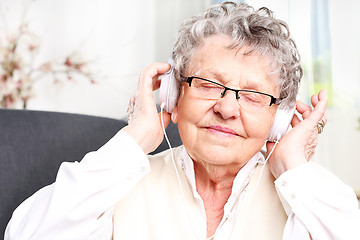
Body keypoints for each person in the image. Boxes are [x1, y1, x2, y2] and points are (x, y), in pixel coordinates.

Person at [5, 2, 360, 240]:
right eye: (208, 84)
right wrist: (134, 138)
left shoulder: (303, 199)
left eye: (253, 95)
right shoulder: (117, 185)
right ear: (173, 96)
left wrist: (294, 166)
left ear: (279, 118)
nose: (227, 108)